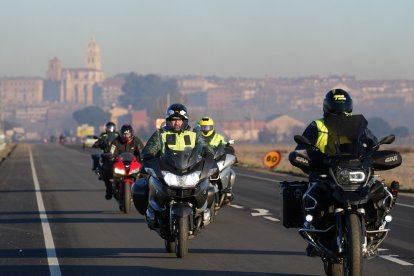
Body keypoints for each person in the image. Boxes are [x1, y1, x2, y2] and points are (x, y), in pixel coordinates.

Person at [293, 88, 397, 256]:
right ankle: (314, 231)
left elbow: (372, 145)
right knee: (312, 194)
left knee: (380, 190)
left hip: (354, 169)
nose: (339, 114)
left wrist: (373, 155)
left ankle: (375, 226)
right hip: (325, 171)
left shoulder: (358, 127)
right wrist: (310, 158)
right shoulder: (317, 125)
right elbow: (302, 147)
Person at [141, 103, 214, 226]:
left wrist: (209, 156)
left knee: (209, 186)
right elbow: (149, 150)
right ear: (168, 121)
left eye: (179, 120)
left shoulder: (194, 134)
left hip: (189, 169)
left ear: (185, 121)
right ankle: (152, 211)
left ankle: (202, 210)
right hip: (166, 170)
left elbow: (206, 148)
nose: (176, 123)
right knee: (147, 183)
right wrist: (148, 157)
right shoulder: (161, 134)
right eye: (173, 120)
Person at [105, 124, 144, 199]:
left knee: (146, 175)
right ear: (121, 134)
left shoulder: (136, 141)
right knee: (106, 170)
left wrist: (144, 158)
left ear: (131, 133)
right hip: (119, 165)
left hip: (133, 165)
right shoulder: (116, 141)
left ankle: (144, 193)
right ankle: (109, 190)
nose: (126, 136)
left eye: (128, 134)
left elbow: (142, 152)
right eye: (124, 134)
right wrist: (110, 156)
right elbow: (111, 151)